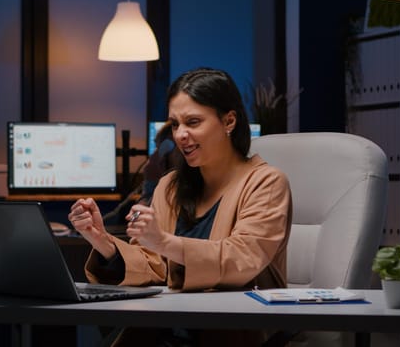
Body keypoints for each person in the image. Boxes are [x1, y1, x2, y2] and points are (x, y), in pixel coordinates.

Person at [68, 67, 292, 347]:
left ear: (229, 121)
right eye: (175, 124)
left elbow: (242, 261)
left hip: (230, 335)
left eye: (193, 122)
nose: (180, 135)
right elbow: (153, 265)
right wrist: (102, 240)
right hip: (164, 332)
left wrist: (164, 242)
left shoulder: (266, 182)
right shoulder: (170, 185)